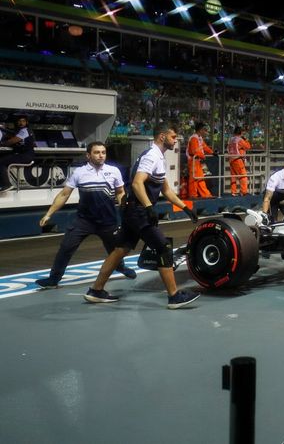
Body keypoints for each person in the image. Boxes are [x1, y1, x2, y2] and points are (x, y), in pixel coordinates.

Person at [84, 125, 201, 309]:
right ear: (162, 137)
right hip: (138, 211)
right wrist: (148, 208)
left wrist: (185, 207)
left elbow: (166, 190)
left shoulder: (158, 157)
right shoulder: (151, 156)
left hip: (134, 210)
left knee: (120, 249)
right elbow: (137, 183)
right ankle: (174, 296)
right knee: (163, 247)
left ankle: (96, 290)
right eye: (173, 136)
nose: (176, 139)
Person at [35, 142, 137, 288]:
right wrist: (49, 214)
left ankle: (121, 268)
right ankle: (53, 279)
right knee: (65, 248)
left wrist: (125, 208)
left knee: (115, 251)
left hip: (108, 221)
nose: (101, 155)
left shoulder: (114, 171)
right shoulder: (79, 172)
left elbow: (120, 192)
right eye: (97, 152)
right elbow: (64, 194)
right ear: (88, 155)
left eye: (103, 152)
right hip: (84, 221)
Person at [0, 116, 35, 193]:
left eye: (23, 121)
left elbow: (11, 141)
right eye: (19, 121)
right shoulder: (20, 131)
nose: (21, 123)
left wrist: (2, 143)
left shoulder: (24, 131)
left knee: (1, 162)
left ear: (26, 123)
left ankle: (6, 184)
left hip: (25, 156)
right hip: (23, 155)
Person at [186, 122, 214, 198]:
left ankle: (206, 195)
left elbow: (204, 147)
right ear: (200, 130)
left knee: (200, 178)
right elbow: (193, 151)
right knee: (194, 178)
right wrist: (202, 155)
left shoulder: (199, 138)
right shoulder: (194, 138)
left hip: (197, 161)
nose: (206, 132)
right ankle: (193, 195)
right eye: (205, 130)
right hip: (192, 161)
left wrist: (212, 152)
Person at [227, 126, 251, 196]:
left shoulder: (231, 139)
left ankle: (233, 192)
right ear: (240, 132)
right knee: (243, 176)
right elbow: (248, 147)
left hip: (231, 159)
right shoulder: (239, 140)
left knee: (233, 177)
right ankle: (243, 192)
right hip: (238, 160)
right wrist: (245, 140)